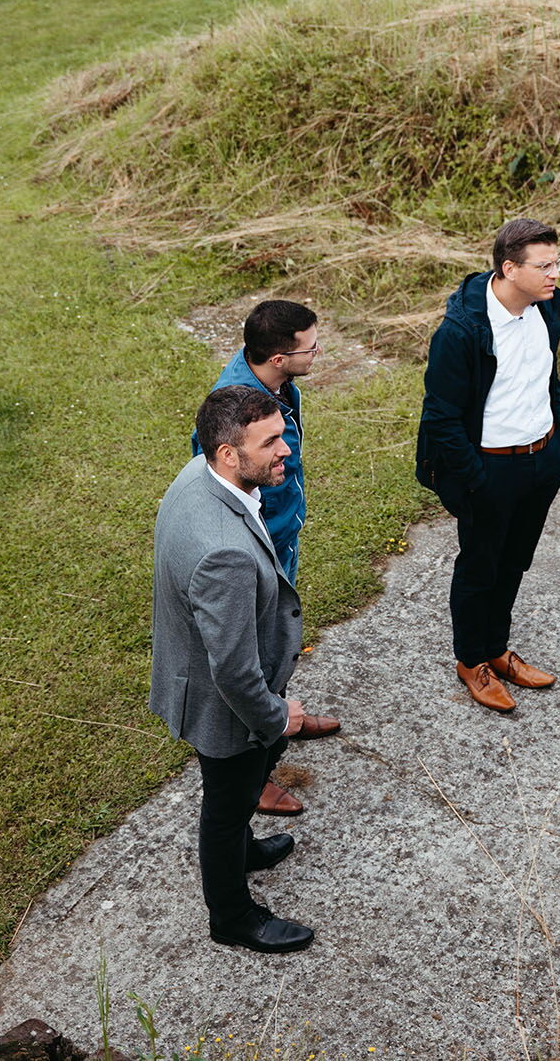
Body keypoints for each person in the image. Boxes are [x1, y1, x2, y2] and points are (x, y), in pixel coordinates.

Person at [151, 385, 315, 953]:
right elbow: (236, 674)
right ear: (227, 453)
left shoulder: (198, 474)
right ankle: (232, 916)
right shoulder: (224, 551)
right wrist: (278, 717)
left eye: (283, 437)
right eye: (270, 442)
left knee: (236, 798)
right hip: (227, 711)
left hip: (193, 675)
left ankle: (245, 850)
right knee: (225, 807)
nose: (284, 452)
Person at [417, 218, 560, 712]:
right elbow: (440, 417)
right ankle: (470, 662)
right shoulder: (461, 332)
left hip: (539, 461)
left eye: (556, 262)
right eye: (544, 266)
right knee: (480, 567)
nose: (555, 274)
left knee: (514, 561)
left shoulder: (546, 311)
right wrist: (475, 479)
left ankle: (498, 650)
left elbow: (548, 384)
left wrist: (556, 442)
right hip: (490, 469)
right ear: (509, 269)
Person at [201, 299, 339, 816]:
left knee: (278, 643)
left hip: (280, 537)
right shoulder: (236, 408)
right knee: (254, 656)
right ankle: (255, 773)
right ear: (278, 357)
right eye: (311, 347)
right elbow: (220, 485)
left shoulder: (278, 386)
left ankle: (281, 717)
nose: (317, 353)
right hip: (257, 547)